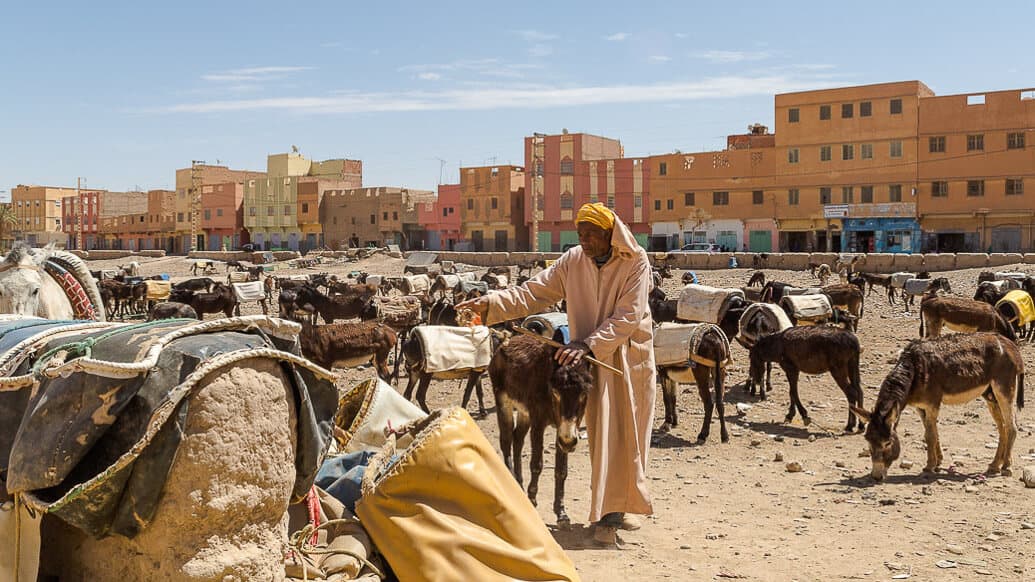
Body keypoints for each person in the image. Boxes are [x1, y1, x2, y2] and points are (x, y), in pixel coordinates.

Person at [457, 203, 655, 547]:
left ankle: (614, 512)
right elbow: (532, 292)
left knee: (625, 433)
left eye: (592, 234)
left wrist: (588, 344)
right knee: (599, 431)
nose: (586, 241)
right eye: (580, 234)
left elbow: (629, 315)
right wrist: (489, 305)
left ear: (611, 234)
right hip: (586, 355)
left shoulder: (635, 261)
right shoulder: (573, 261)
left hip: (625, 358)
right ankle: (611, 508)